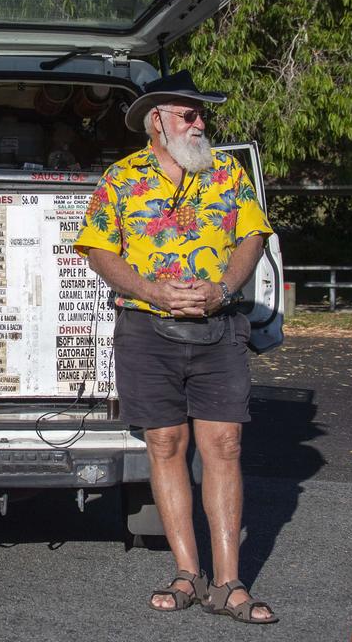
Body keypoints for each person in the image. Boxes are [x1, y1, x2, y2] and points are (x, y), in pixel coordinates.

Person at [73, 70, 278, 624]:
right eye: (189, 114)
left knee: (225, 447)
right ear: (156, 121)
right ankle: (187, 571)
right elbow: (97, 250)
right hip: (146, 330)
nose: (200, 122)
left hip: (221, 328)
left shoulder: (225, 171)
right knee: (164, 444)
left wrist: (223, 289)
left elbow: (252, 236)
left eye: (200, 113)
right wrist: (150, 289)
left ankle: (230, 582)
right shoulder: (121, 179)